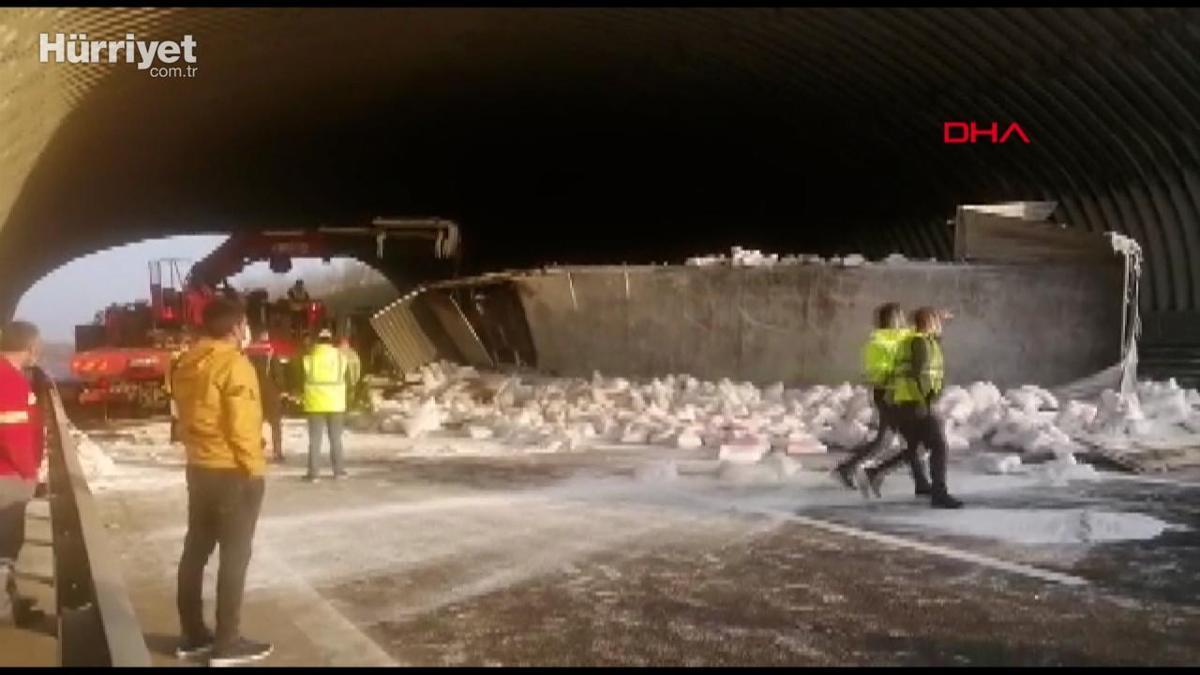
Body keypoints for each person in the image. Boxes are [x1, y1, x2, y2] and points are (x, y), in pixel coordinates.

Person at [171, 299, 273, 665]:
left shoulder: (186, 363)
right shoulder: (234, 365)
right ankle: (228, 641)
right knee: (235, 556)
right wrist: (254, 471)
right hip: (230, 471)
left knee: (195, 551)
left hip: (198, 468)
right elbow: (242, 427)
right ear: (236, 327)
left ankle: (193, 633)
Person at [864, 307, 963, 509]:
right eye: (936, 322)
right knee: (939, 446)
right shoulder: (920, 343)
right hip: (916, 403)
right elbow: (920, 375)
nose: (940, 326)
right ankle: (939, 493)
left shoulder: (915, 340)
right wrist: (923, 402)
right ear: (929, 324)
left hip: (905, 403)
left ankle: (875, 473)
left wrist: (937, 315)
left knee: (915, 448)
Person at [833, 303, 931, 495]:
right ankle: (915, 481)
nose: (903, 321)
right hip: (890, 395)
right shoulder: (879, 344)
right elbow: (879, 374)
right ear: (893, 319)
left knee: (886, 441)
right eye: (900, 317)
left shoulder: (899, 338)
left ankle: (848, 469)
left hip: (896, 395)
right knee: (913, 442)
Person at [0, 321, 44, 627]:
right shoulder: (10, 381)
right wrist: (31, 474)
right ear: (29, 348)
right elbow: (13, 436)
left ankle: (8, 599)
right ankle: (4, 613)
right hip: (8, 475)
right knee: (6, 545)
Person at [302, 328, 347, 482]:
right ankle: (339, 472)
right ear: (331, 340)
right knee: (335, 439)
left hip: (315, 404)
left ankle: (314, 474)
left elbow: (302, 374)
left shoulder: (310, 358)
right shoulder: (341, 358)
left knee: (315, 440)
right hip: (336, 404)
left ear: (318, 341)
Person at [247, 331, 286, 463]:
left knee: (254, 423)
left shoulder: (248, 352)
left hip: (252, 391)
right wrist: (280, 388)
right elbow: (277, 373)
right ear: (265, 337)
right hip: (270, 391)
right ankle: (277, 451)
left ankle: (255, 449)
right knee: (275, 423)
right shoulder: (270, 351)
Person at [337, 335, 362, 412]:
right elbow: (358, 369)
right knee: (349, 401)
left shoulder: (336, 353)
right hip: (351, 382)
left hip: (338, 382)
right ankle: (348, 413)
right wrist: (355, 380)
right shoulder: (353, 354)